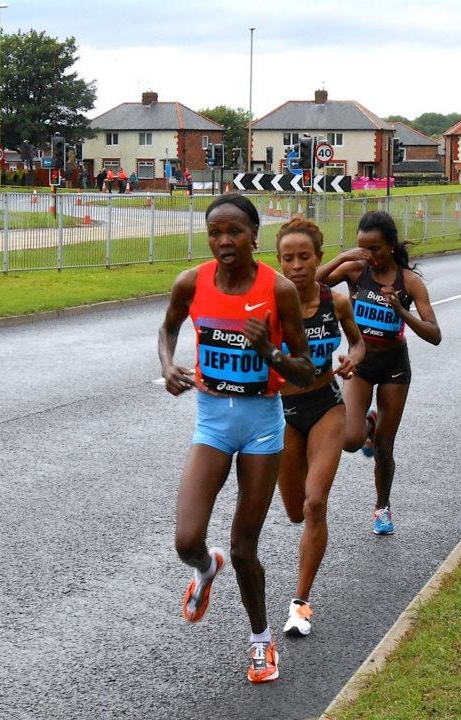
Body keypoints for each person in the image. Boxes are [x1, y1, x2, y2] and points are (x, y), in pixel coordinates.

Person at [159, 193, 315, 683]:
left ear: (254, 236)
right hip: (212, 421)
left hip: (261, 426)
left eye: (234, 232)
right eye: (215, 233)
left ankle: (261, 642)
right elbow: (167, 329)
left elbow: (307, 369)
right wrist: (168, 365)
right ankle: (206, 568)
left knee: (245, 547)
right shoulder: (192, 282)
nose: (224, 241)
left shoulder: (279, 290)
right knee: (187, 540)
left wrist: (270, 351)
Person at [315, 211, 441, 535]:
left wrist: (401, 310)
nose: (369, 255)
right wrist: (343, 257)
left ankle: (382, 508)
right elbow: (310, 284)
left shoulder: (409, 282)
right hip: (361, 364)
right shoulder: (356, 270)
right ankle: (368, 424)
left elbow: (434, 334)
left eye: (375, 249)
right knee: (350, 440)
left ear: (390, 246)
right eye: (363, 247)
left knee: (384, 447)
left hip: (394, 368)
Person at [274, 218, 365, 637]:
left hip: (326, 405)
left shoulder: (337, 303)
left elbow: (357, 342)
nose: (296, 266)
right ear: (278, 262)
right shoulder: (272, 305)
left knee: (315, 504)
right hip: (282, 413)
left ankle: (300, 605)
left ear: (318, 259)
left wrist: (353, 359)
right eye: (288, 258)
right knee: (295, 512)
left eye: (304, 257)